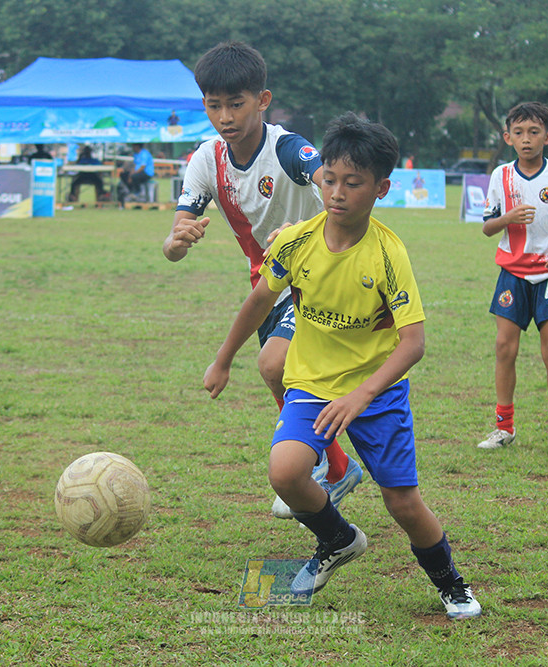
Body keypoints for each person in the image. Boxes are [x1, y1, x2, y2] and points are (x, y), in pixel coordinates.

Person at [203, 113, 481, 619]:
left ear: (381, 188)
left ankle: (450, 582)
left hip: (375, 393)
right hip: (310, 382)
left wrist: (361, 395)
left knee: (403, 505)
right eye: (329, 179)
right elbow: (259, 302)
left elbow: (412, 343)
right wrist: (223, 359)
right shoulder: (295, 241)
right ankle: (338, 539)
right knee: (285, 473)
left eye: (353, 183)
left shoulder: (389, 253)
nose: (337, 192)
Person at [163, 41, 363, 519]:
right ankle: (336, 467)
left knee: (274, 366)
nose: (225, 116)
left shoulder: (289, 149)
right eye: (214, 105)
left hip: (322, 276)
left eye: (237, 103)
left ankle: (326, 463)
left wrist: (302, 230)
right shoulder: (206, 161)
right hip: (270, 285)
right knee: (283, 373)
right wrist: (177, 241)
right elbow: (172, 244)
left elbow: (330, 180)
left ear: (263, 100)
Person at [476, 102, 548, 454]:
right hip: (512, 274)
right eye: (519, 133)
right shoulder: (500, 177)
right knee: (504, 348)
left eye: (534, 132)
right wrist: (509, 217)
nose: (526, 139)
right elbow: (488, 228)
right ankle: (504, 427)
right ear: (508, 137)